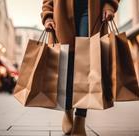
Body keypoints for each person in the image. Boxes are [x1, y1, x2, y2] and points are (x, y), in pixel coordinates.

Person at [41, 0, 120, 135]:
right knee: (67, 63)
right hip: (62, 11)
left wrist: (109, 5)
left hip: (90, 9)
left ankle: (80, 118)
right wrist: (48, 15)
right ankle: (67, 109)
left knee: (86, 63)